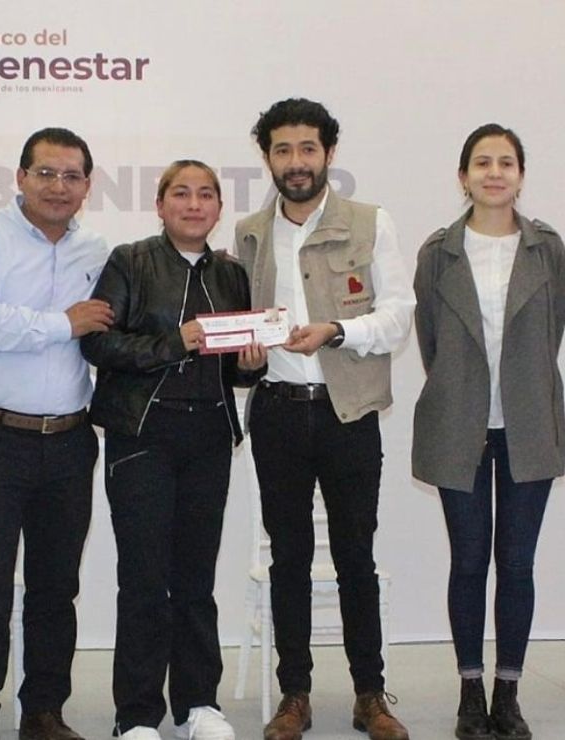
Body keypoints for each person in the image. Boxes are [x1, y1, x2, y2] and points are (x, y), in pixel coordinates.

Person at [235, 98, 414, 740]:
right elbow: (243, 329)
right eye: (282, 150)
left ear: (329, 153)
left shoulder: (370, 222)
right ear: (267, 158)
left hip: (347, 414)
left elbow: (398, 315)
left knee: (355, 556)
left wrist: (337, 330)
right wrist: (247, 358)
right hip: (277, 414)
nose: (296, 162)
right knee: (288, 559)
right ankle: (295, 695)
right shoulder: (249, 233)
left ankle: (370, 695)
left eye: (307, 148)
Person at [80, 161, 266, 740]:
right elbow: (97, 345)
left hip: (208, 438)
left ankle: (198, 705)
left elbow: (235, 368)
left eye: (206, 195)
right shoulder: (130, 261)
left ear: (219, 209)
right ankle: (136, 715)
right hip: (143, 437)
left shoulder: (231, 273)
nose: (194, 204)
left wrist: (251, 366)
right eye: (181, 194)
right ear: (160, 206)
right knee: (143, 579)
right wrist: (174, 342)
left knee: (195, 579)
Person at [0, 127, 111, 740]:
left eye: (71, 176)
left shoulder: (97, 250)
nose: (57, 187)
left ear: (87, 186)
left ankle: (44, 710)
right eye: (45, 173)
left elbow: (117, 328)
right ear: (20, 178)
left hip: (69, 439)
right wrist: (62, 324)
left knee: (55, 587)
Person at [412, 124, 565, 740]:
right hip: (459, 423)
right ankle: (470, 692)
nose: (494, 173)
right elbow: (430, 341)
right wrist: (464, 391)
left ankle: (509, 692)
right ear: (463, 176)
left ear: (521, 175)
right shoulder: (438, 252)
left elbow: (553, 333)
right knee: (469, 561)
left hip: (530, 423)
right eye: (482, 162)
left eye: (506, 162)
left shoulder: (548, 249)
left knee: (518, 564)